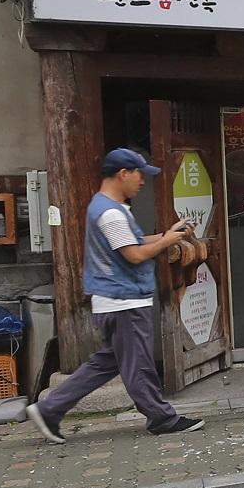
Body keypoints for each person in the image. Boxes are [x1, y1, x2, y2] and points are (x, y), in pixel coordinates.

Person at [27, 149, 205, 442]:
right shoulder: (111, 213)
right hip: (125, 301)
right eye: (139, 174)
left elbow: (132, 243)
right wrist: (167, 241)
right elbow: (134, 255)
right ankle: (161, 418)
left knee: (106, 363)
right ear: (123, 173)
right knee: (140, 366)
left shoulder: (107, 207)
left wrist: (167, 234)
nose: (142, 181)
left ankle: (50, 409)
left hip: (115, 300)